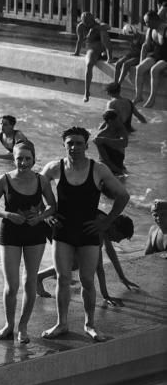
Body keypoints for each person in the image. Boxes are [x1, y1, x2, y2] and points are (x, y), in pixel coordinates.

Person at [41, 127, 131, 341]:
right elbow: (36, 189)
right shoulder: (55, 167)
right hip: (62, 231)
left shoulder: (98, 169)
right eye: (70, 143)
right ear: (64, 145)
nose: (74, 147)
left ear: (86, 145)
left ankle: (89, 325)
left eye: (79, 143)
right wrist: (46, 214)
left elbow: (123, 195)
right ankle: (61, 324)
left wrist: (107, 222)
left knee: (87, 280)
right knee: (63, 278)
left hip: (88, 231)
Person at [0, 140, 55, 345]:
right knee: (12, 285)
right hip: (10, 234)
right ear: (13, 159)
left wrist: (41, 217)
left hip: (35, 234)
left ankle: (23, 327)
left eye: (28, 158)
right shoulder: (4, 180)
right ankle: (9, 324)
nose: (23, 162)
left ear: (34, 159)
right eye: (19, 158)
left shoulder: (41, 180)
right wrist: (7, 214)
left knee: (29, 281)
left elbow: (53, 206)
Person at [74, 11, 112, 101]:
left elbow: (108, 27)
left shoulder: (97, 23)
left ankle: (109, 56)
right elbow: (80, 41)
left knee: (103, 31)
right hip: (92, 48)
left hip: (103, 46)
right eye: (85, 22)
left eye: (89, 22)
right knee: (89, 64)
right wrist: (76, 53)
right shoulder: (80, 27)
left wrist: (95, 28)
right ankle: (87, 91)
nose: (88, 24)